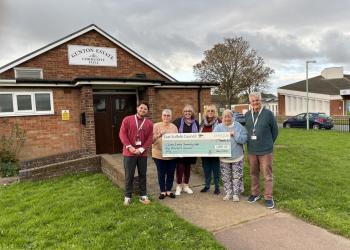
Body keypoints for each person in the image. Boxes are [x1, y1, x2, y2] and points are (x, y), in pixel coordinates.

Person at [245, 92, 278, 209]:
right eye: (253, 101)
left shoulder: (268, 114)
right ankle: (255, 194)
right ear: (250, 102)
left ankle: (268, 197)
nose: (255, 103)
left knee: (267, 175)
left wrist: (268, 143)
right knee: (253, 173)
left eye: (257, 100)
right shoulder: (248, 115)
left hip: (265, 151)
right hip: (252, 150)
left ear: (261, 100)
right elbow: (246, 131)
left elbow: (275, 131)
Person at [119, 102, 153, 205]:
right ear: (137, 108)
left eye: (145, 109)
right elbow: (122, 134)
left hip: (142, 154)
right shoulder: (127, 119)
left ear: (147, 111)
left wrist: (141, 149)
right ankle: (128, 196)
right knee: (129, 175)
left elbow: (150, 138)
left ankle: (143, 195)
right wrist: (129, 147)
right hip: (129, 153)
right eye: (141, 108)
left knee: (143, 174)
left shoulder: (149, 123)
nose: (143, 110)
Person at [214, 109, 247, 201]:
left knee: (237, 176)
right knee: (226, 176)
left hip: (237, 156)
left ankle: (236, 194)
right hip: (224, 157)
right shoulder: (218, 127)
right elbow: (213, 140)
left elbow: (244, 139)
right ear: (222, 118)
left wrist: (235, 134)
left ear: (232, 117)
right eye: (225, 116)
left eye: (229, 116)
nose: (227, 118)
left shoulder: (238, 126)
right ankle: (228, 192)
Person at [173, 104, 199, 195]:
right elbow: (171, 133)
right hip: (180, 150)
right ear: (183, 113)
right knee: (180, 167)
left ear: (192, 113)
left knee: (188, 167)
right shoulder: (177, 122)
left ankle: (186, 185)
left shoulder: (196, 123)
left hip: (191, 150)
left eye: (189, 111)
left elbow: (199, 136)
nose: (187, 113)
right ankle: (179, 186)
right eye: (185, 111)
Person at [152, 109, 178, 199]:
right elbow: (151, 141)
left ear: (171, 117)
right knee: (161, 173)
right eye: (164, 115)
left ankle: (169, 190)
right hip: (159, 155)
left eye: (168, 115)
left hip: (171, 155)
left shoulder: (174, 127)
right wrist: (159, 135)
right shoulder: (156, 126)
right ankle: (162, 191)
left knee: (171, 173)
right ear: (161, 116)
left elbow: (177, 140)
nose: (166, 117)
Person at [199, 104, 221, 194]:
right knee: (206, 169)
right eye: (208, 111)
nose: (210, 112)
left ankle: (217, 187)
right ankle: (207, 186)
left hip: (215, 150)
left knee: (216, 169)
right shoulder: (202, 123)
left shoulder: (219, 121)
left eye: (212, 111)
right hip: (204, 150)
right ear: (206, 112)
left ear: (215, 112)